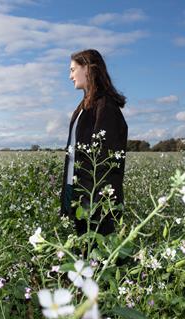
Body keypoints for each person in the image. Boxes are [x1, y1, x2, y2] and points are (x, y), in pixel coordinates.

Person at [60, 49, 128, 237]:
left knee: (96, 253)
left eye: (73, 70)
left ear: (88, 69)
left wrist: (98, 201)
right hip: (77, 191)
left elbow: (107, 159)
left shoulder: (105, 106)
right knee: (82, 250)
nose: (70, 76)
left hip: (93, 197)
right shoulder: (85, 105)